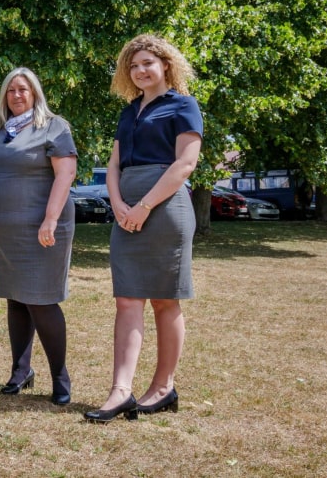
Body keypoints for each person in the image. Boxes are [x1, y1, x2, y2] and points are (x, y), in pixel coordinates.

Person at [83, 34, 203, 423]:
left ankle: (164, 387)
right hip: (125, 210)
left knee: (165, 300)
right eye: (133, 66)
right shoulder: (129, 111)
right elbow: (114, 164)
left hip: (166, 209)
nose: (140, 71)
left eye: (147, 63)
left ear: (166, 64)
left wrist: (144, 206)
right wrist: (117, 204)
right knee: (127, 299)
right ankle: (120, 391)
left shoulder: (184, 106)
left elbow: (185, 164)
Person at [0, 68, 77, 405]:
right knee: (16, 298)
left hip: (43, 227)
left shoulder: (53, 126)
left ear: (35, 93)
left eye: (23, 89)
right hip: (4, 226)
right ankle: (21, 371)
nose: (17, 95)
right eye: (11, 91)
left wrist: (50, 219)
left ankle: (60, 375)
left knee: (41, 300)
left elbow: (66, 174)